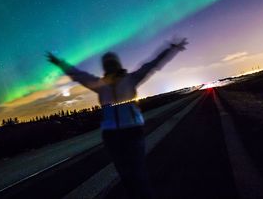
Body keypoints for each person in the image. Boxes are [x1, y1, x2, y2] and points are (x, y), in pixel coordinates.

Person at [46, 37, 188, 199]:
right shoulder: (99, 84)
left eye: (112, 63)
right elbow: (77, 74)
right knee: (126, 177)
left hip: (132, 133)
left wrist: (171, 49)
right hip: (112, 137)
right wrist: (60, 63)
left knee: (138, 175)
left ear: (117, 64)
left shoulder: (131, 79)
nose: (110, 66)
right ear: (105, 67)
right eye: (107, 64)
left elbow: (153, 64)